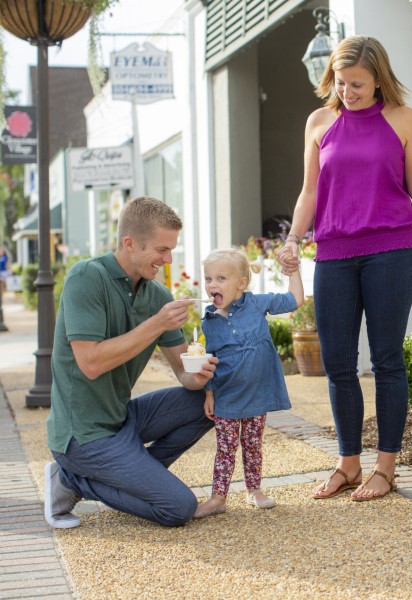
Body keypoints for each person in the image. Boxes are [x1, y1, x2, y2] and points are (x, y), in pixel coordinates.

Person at [277, 36, 412, 502]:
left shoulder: (402, 119)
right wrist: (292, 239)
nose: (348, 92)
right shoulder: (319, 122)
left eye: (357, 84)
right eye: (341, 83)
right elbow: (310, 192)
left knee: (386, 361)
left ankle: (385, 468)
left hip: (391, 251)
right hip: (334, 255)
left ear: (378, 78)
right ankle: (347, 464)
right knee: (338, 364)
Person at [45, 196, 218, 529]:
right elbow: (90, 363)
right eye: (161, 250)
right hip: (82, 435)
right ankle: (71, 479)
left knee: (214, 401)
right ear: (129, 243)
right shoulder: (86, 278)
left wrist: (200, 376)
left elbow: (183, 372)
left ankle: (128, 475)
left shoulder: (157, 295)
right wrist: (157, 323)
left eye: (171, 250)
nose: (167, 260)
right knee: (177, 508)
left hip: (122, 419)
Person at [194, 248, 303, 518]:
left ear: (241, 283)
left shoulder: (256, 304)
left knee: (253, 444)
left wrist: (294, 270)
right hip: (227, 394)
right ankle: (218, 497)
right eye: (208, 279)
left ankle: (254, 490)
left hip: (257, 393)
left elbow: (294, 299)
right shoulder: (208, 321)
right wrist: (209, 393)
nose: (212, 285)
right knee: (226, 448)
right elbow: (210, 358)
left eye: (220, 278)